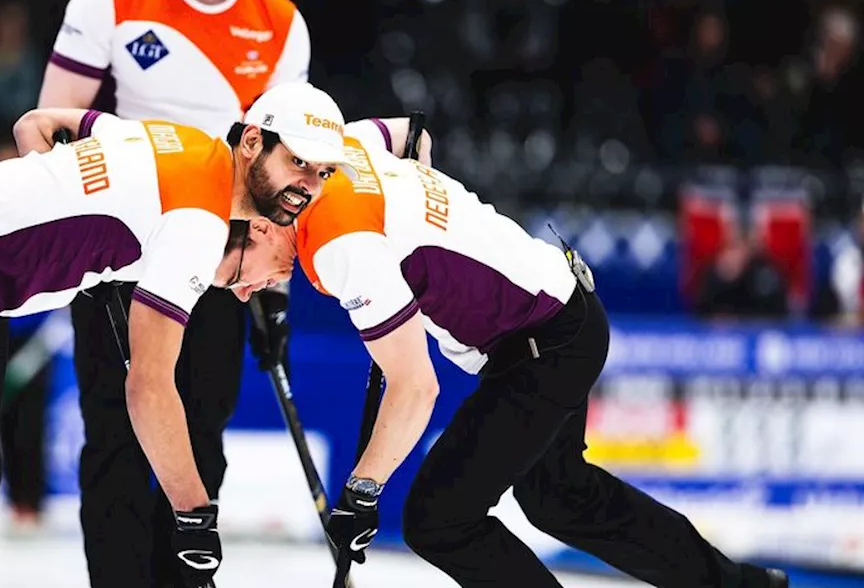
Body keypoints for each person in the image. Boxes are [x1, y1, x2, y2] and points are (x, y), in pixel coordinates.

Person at [0, 85, 346, 588]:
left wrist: (61, 210)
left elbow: (39, 124)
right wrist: (194, 513)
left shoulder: (186, 142)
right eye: (298, 162)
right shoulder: (196, 223)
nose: (309, 184)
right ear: (253, 142)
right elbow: (149, 387)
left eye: (323, 172)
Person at [277, 122, 790, 587]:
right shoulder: (343, 149)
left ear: (262, 227)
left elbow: (416, 388)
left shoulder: (338, 242)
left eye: (238, 275)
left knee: (440, 518)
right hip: (560, 312)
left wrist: (362, 492)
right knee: (559, 497)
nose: (246, 290)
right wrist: (415, 222)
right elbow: (413, 135)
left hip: (544, 338)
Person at [36, 0, 313, 584]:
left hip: (222, 263)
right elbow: (48, 129)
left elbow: (288, 174)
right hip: (122, 256)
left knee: (200, 434)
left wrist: (275, 292)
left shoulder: (281, 22)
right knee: (115, 440)